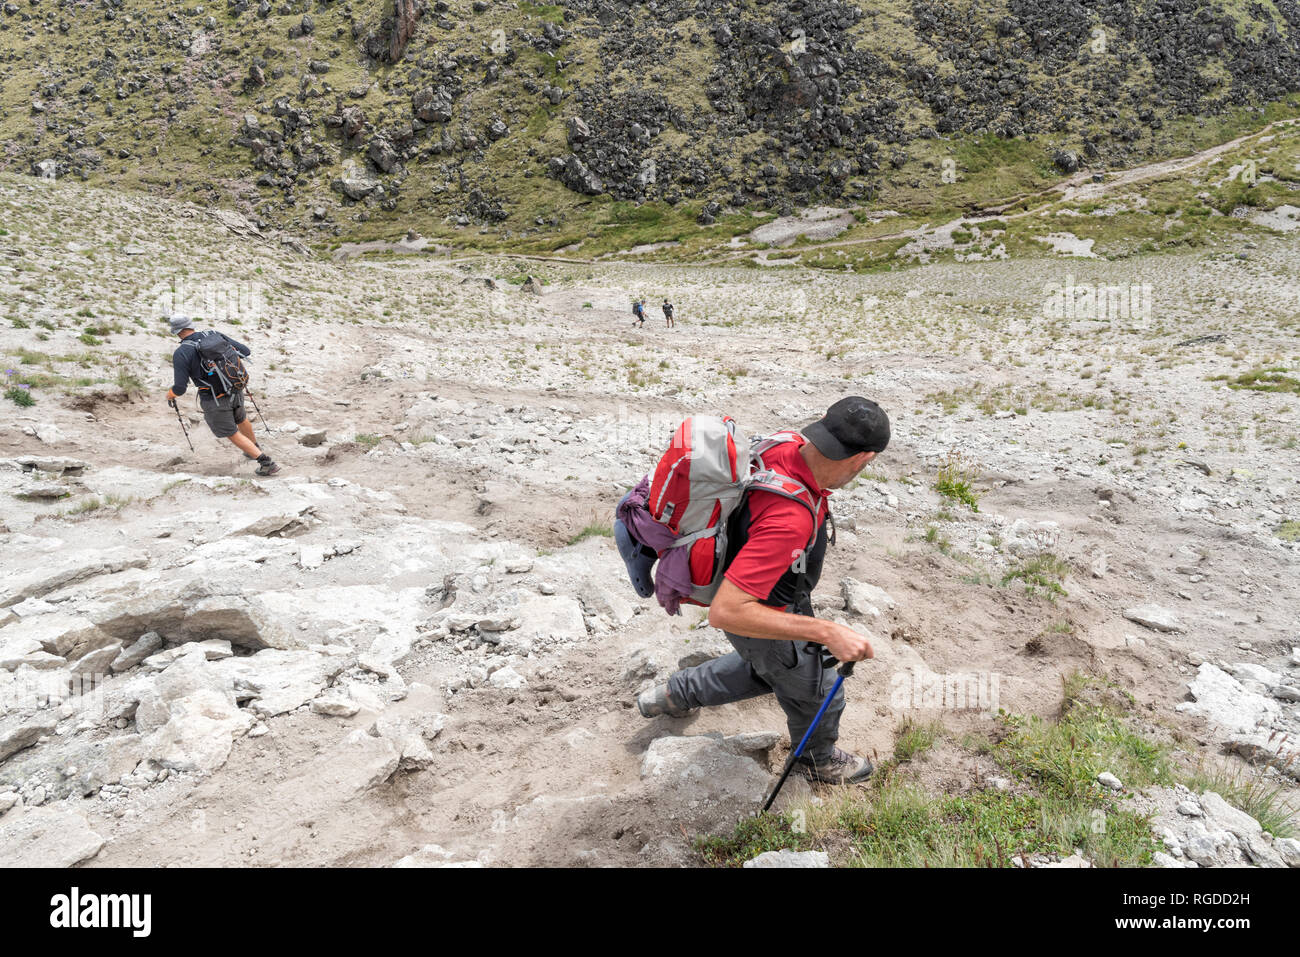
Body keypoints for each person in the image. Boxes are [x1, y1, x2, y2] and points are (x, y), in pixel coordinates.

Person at [637, 396, 891, 785]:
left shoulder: (786, 443)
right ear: (863, 459)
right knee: (820, 692)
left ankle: (672, 695)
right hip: (757, 607)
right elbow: (726, 612)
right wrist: (826, 631)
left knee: (769, 669)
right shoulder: (787, 520)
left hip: (761, 588)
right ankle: (816, 760)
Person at [164, 314, 280, 476]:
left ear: (175, 331)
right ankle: (253, 447)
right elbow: (245, 351)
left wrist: (170, 395)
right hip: (236, 387)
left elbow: (180, 388)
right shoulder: (213, 334)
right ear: (191, 325)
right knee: (240, 419)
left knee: (230, 431)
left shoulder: (182, 353)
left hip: (214, 399)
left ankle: (266, 462)